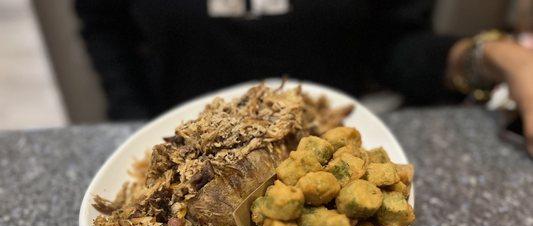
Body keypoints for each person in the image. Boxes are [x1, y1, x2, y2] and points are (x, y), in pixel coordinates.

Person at [75, 0, 533, 155]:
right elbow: (108, 31)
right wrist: (131, 120)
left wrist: (495, 57)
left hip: (326, 134)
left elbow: (395, 47)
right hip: (182, 140)